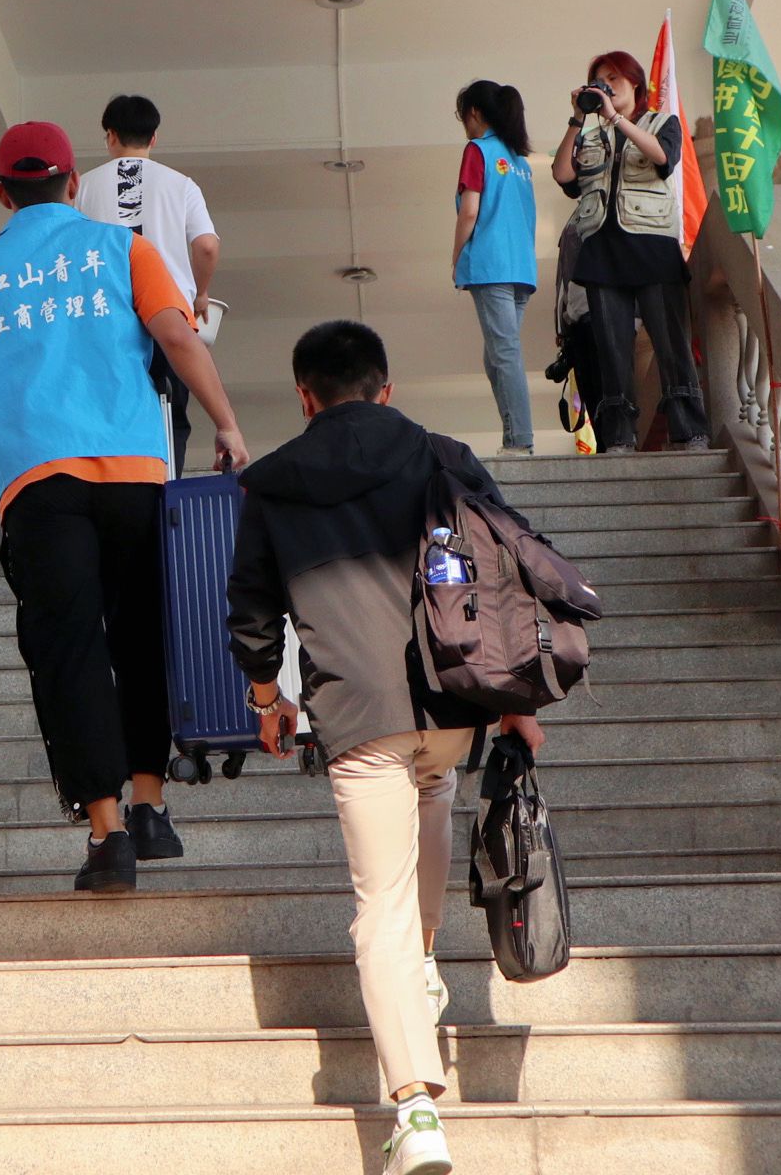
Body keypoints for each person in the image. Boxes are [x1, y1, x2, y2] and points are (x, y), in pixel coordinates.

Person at [227, 320, 547, 1175]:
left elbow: (251, 606)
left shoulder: (273, 481)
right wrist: (515, 702)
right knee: (433, 794)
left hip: (355, 708)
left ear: (305, 396)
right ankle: (425, 962)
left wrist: (267, 697)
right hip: (451, 698)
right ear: (386, 386)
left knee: (380, 903)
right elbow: (505, 572)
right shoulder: (444, 455)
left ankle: (414, 1110)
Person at [0, 121, 250, 892]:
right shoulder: (123, 249)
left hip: (40, 486)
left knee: (69, 649)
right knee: (143, 637)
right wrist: (228, 426)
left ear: (2, 194)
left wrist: (4, 473)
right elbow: (178, 338)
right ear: (73, 184)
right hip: (136, 474)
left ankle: (107, 836)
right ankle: (151, 805)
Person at [549, 50, 708, 454]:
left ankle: (690, 430)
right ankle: (619, 436)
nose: (607, 86)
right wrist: (577, 118)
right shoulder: (588, 136)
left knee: (671, 343)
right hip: (602, 252)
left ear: (635, 83)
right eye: (599, 80)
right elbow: (563, 175)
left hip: (652, 246)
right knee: (612, 350)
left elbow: (663, 157)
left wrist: (617, 119)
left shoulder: (661, 123)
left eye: (614, 79)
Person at [75, 93, 221, 474]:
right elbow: (206, 246)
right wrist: (200, 292)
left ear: (110, 135)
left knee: (111, 411)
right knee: (173, 417)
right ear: (154, 137)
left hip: (106, 319)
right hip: (169, 317)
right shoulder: (182, 185)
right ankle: (166, 484)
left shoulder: (83, 187)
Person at [450, 81, 539, 456]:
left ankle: (519, 440)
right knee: (497, 355)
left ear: (473, 113)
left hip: (491, 265)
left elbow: (470, 211)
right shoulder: (520, 162)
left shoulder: (478, 150)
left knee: (504, 354)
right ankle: (514, 432)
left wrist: (457, 256)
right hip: (521, 269)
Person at [544, 217, 605, 436]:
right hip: (577, 322)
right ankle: (604, 442)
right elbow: (564, 282)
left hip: (597, 315)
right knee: (592, 393)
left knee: (602, 391)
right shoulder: (575, 221)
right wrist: (561, 328)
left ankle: (612, 441)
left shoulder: (596, 216)